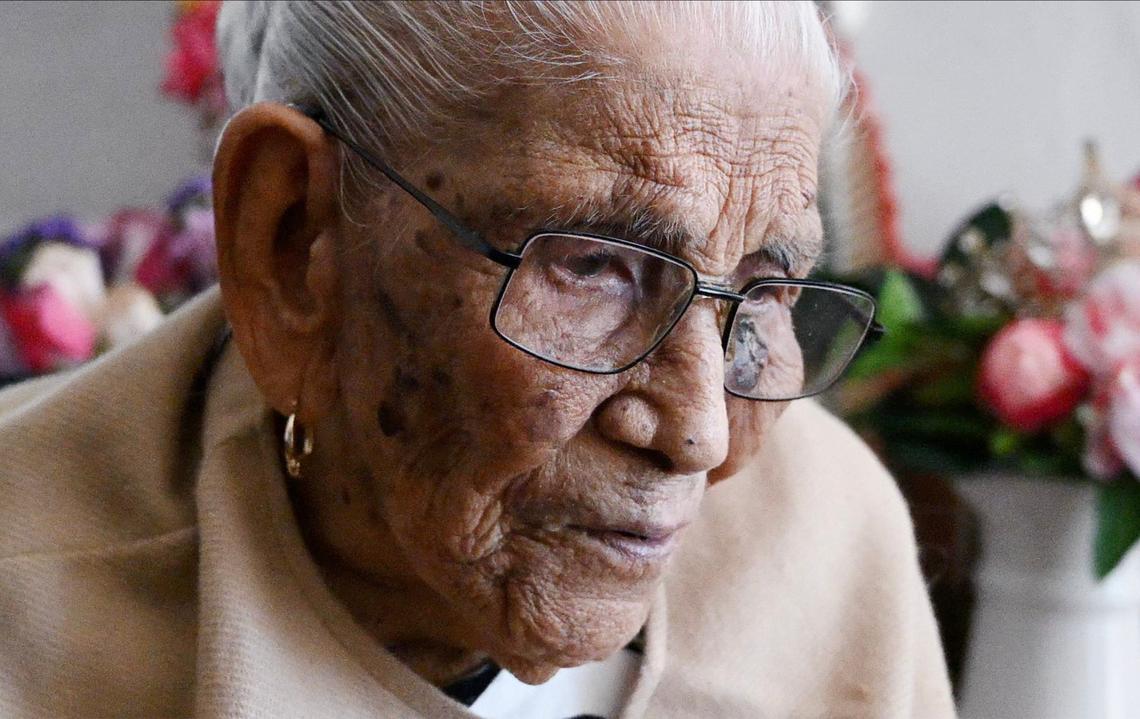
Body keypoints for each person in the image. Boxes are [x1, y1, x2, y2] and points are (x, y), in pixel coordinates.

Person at [0, 2, 956, 717]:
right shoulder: (27, 604)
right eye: (597, 267)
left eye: (764, 291)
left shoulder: (833, 546)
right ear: (293, 244)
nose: (700, 430)